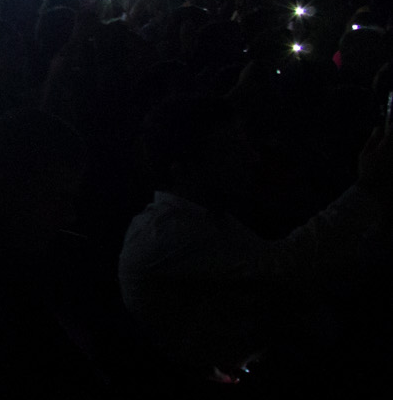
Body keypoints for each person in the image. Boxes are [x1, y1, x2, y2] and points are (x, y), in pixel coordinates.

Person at [120, 95, 389, 380]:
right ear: (185, 170)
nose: (252, 158)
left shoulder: (195, 218)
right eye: (231, 149)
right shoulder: (167, 234)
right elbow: (287, 266)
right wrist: (368, 188)